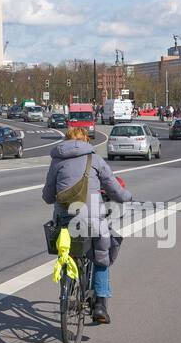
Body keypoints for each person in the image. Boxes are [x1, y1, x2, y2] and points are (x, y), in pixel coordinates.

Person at [43, 126, 133, 324]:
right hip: (92, 219)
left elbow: (48, 196)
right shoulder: (95, 159)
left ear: (66, 141)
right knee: (101, 255)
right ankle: (100, 304)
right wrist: (127, 197)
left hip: (65, 220)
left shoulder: (57, 160)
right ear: (86, 141)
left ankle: (67, 293)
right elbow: (114, 188)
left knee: (66, 251)